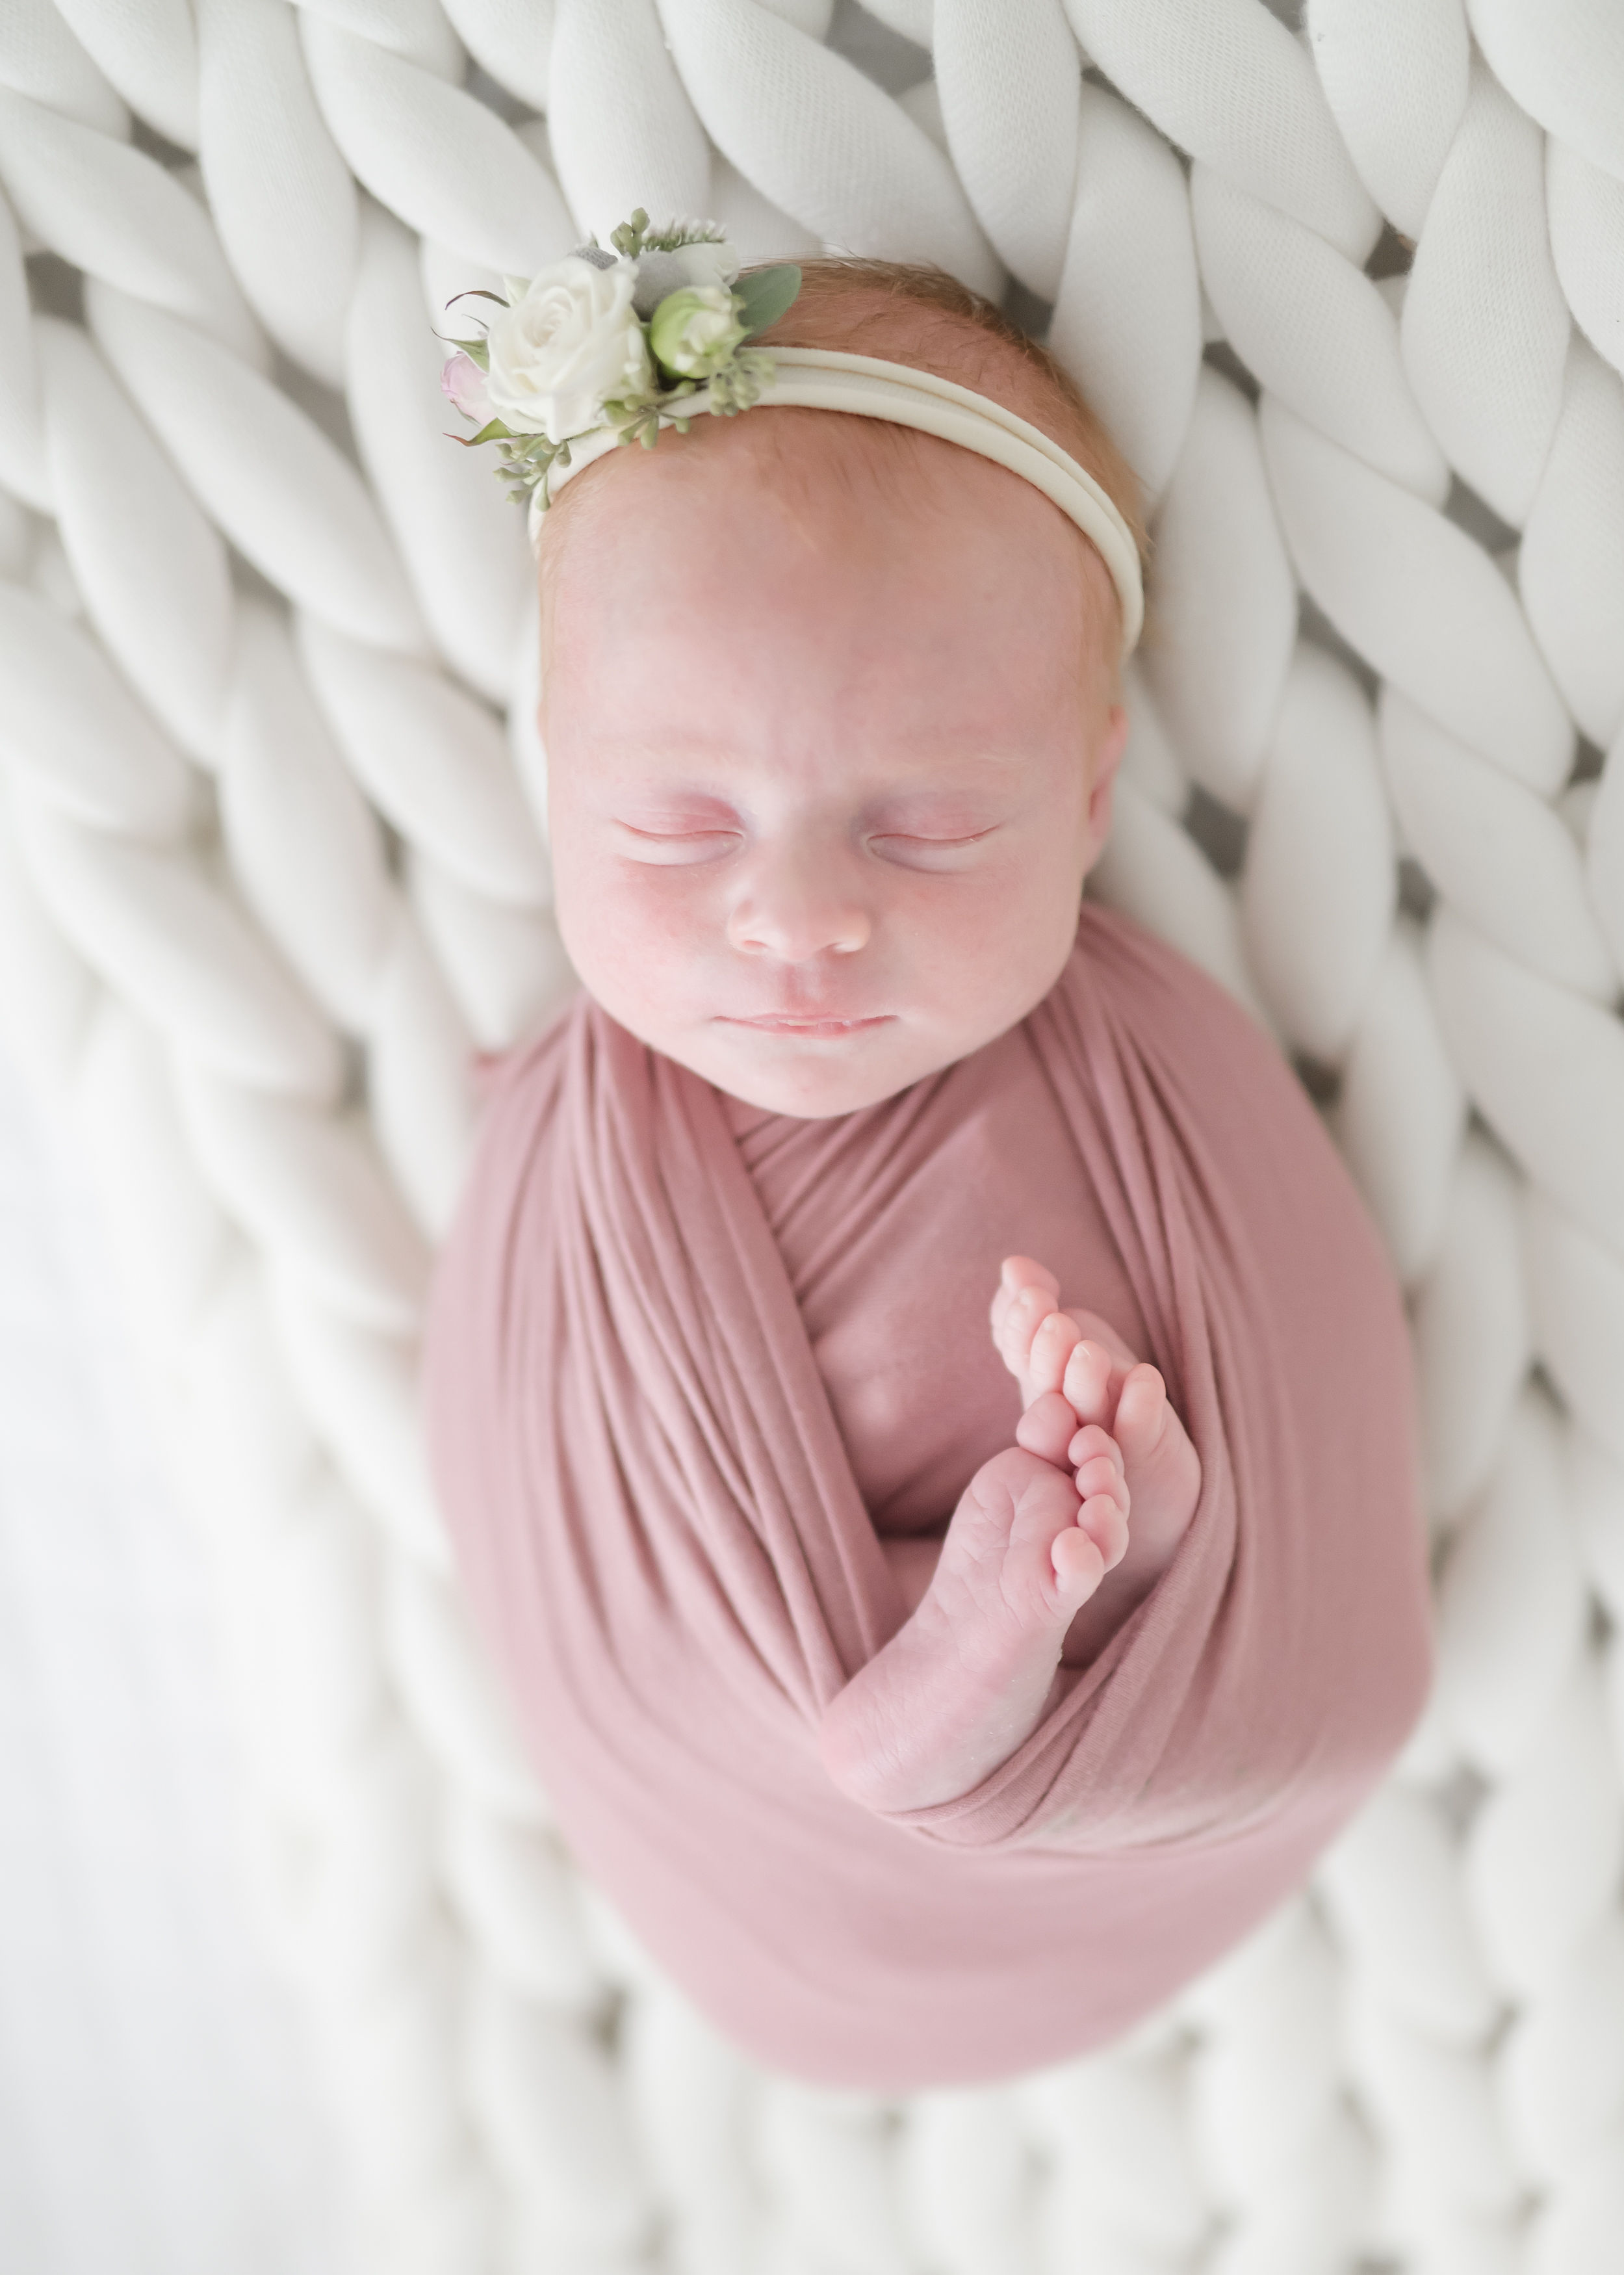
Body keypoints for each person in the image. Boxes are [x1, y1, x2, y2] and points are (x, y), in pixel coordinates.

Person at [419, 218, 1433, 2092]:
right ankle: (1010, 1606)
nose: (796, 920)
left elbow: (1285, 1538)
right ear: (557, 766)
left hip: (1038, 1825)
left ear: (1093, 798)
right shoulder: (590, 1123)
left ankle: (991, 1631)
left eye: (931, 826)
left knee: (1099, 1500)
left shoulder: (1131, 1111)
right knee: (1079, 1520)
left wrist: (1131, 1523)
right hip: (741, 1858)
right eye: (675, 823)